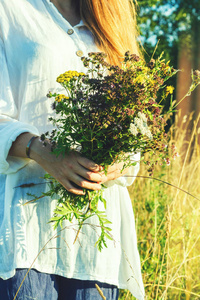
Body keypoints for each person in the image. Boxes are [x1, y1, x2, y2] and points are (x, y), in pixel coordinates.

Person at [0, 0, 145, 299]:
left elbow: (137, 125)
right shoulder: (10, 9)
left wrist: (119, 160)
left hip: (95, 244)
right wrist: (38, 149)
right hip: (26, 231)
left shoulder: (112, 23)